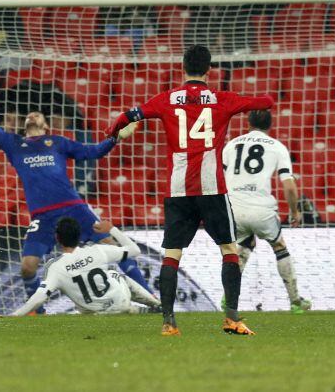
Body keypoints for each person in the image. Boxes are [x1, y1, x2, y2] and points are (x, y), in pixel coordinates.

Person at [0, 72, 151, 315]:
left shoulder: (58, 142)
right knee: (27, 267)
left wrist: (115, 137)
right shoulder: (12, 143)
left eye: (38, 114)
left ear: (46, 125)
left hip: (74, 209)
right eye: (29, 114)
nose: (32, 114)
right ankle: (39, 312)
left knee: (116, 251)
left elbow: (95, 152)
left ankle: (149, 297)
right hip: (43, 218)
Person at [106, 45, 274, 336]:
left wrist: (113, 134)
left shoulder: (166, 99)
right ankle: (232, 318)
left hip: (179, 188)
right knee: (229, 250)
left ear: (182, 67)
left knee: (172, 254)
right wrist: (254, 99)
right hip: (211, 188)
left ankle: (169, 323)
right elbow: (267, 101)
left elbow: (127, 117)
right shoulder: (223, 99)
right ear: (209, 70)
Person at [222, 110, 311, 314]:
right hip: (261, 209)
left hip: (234, 207)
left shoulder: (232, 144)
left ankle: (228, 298)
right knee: (279, 247)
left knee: (243, 246)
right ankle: (296, 301)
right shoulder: (277, 147)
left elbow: (219, 176)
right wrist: (295, 211)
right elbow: (288, 186)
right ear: (270, 125)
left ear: (248, 123)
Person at [11, 218, 160, 316]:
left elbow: (38, 298)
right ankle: (156, 305)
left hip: (95, 314)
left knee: (83, 310)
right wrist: (112, 229)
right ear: (79, 236)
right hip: (119, 301)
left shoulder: (56, 267)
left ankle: (141, 310)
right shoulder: (98, 250)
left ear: (57, 238)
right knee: (116, 275)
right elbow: (135, 250)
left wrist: (14, 316)